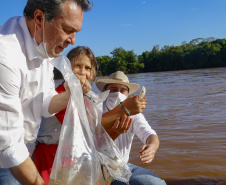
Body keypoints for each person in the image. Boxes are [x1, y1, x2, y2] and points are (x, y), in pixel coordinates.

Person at [0, 1, 92, 184]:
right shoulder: (5, 56)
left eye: (76, 32)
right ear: (40, 18)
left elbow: (44, 103)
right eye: (68, 29)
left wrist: (71, 93)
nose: (73, 40)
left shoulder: (43, 47)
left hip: (25, 150)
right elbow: (8, 146)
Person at [96, 71, 167, 185]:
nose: (118, 93)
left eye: (123, 90)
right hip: (96, 167)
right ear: (104, 91)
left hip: (122, 165)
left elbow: (150, 134)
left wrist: (152, 147)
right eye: (113, 89)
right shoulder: (95, 109)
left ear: (127, 95)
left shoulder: (134, 114)